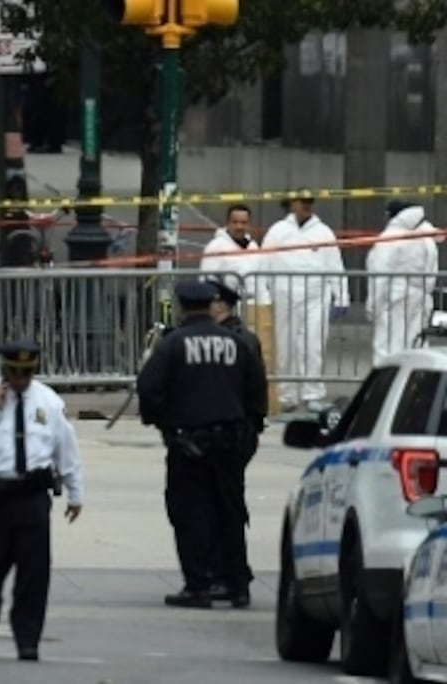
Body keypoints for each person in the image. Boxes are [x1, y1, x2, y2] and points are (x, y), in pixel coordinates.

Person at [137, 281, 268, 609]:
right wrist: (250, 428)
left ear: (182, 306)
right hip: (232, 440)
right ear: (210, 305)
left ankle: (199, 584)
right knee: (230, 511)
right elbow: (256, 390)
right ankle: (237, 584)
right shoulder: (236, 343)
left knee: (190, 511)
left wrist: (163, 424)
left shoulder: (172, 344)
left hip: (189, 443)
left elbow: (149, 389)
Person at [0, 340, 84, 661]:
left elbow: (66, 447)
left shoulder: (48, 401)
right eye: (14, 373)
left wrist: (75, 490)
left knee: (34, 573)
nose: (20, 380)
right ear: (4, 370)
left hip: (32, 496)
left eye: (26, 373)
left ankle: (28, 638)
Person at [204, 277, 265, 604]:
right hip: (237, 432)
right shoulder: (238, 338)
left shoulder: (237, 341)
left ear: (221, 306)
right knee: (222, 504)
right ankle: (227, 572)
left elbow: (249, 390)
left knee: (224, 507)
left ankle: (232, 575)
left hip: (232, 434)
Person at [260, 191, 348, 413]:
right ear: (292, 204)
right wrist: (262, 294)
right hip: (284, 295)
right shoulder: (278, 232)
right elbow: (262, 265)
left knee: (313, 346)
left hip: (316, 297)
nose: (307, 206)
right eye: (303, 202)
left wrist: (341, 296)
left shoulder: (323, 232)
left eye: (310, 202)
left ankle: (313, 394)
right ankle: (286, 395)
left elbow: (335, 266)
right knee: (285, 345)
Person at [365, 200, 444, 365]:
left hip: (394, 299)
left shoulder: (391, 237)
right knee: (416, 344)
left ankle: (386, 386)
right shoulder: (426, 236)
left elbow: (380, 272)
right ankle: (415, 385)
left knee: (387, 345)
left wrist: (373, 304)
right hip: (421, 298)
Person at [199, 204, 271, 307]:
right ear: (228, 223)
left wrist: (265, 304)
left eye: (243, 222)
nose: (239, 226)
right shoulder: (215, 247)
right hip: (228, 310)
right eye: (235, 222)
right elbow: (207, 281)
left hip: (254, 309)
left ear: (249, 224)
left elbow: (261, 282)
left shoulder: (254, 247)